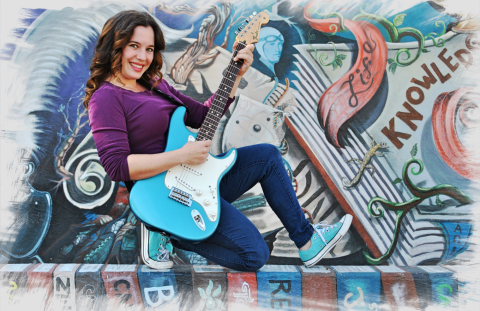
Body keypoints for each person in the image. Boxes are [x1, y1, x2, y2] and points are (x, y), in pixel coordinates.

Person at [85, 10, 352, 271]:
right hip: (164, 195)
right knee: (255, 255)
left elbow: (202, 116)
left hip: (196, 179)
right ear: (115, 45)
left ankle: (306, 241)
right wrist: (182, 156)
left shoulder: (155, 84)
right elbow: (117, 166)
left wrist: (235, 74)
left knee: (268, 157)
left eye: (150, 49)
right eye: (134, 46)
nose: (143, 57)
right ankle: (170, 233)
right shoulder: (106, 97)